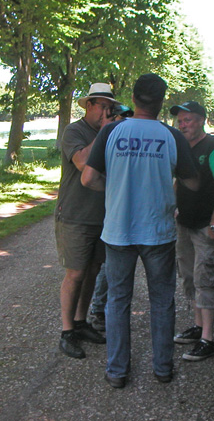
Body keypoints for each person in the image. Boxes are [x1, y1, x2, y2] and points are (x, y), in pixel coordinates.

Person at [81, 73, 199, 388]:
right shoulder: (171, 136)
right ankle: (163, 368)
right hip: (158, 231)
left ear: (133, 99)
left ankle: (117, 371)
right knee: (162, 300)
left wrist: (115, 189)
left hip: (118, 230)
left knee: (118, 299)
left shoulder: (111, 132)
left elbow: (88, 178)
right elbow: (193, 181)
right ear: (161, 102)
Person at [55, 82, 120, 359]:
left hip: (102, 217)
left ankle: (81, 322)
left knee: (93, 271)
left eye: (110, 108)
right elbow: (82, 162)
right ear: (89, 105)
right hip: (74, 216)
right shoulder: (74, 131)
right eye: (102, 106)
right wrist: (105, 131)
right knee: (76, 273)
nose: (107, 112)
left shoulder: (111, 132)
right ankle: (67, 331)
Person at [169, 101, 214, 361]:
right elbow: (178, 182)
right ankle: (197, 326)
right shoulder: (182, 148)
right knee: (188, 276)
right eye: (180, 121)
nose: (183, 125)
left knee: (205, 278)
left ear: (202, 120)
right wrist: (173, 208)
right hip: (184, 224)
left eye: (188, 120)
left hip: (207, 226)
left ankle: (208, 338)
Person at [88, 104, 135, 332]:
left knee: (109, 264)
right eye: (120, 117)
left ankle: (103, 309)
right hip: (103, 211)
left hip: (121, 211)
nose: (123, 122)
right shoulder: (105, 137)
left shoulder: (125, 140)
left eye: (127, 118)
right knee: (104, 265)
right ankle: (98, 310)